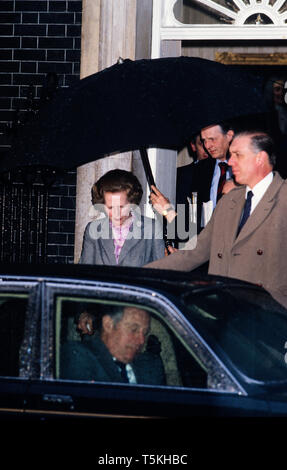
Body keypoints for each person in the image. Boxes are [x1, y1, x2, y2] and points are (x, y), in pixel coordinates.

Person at [145, 131, 287, 307]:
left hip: (270, 317)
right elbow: (195, 251)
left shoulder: (283, 199)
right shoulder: (229, 201)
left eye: (238, 155)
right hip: (226, 314)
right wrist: (143, 275)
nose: (231, 161)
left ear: (260, 158)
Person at [60, 306, 166, 385]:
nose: (141, 340)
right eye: (133, 330)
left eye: (145, 333)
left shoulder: (152, 367)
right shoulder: (79, 355)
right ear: (108, 324)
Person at [79, 169, 165, 266]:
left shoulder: (152, 228)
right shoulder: (93, 230)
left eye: (121, 207)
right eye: (110, 207)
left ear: (132, 202)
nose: (116, 213)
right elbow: (84, 271)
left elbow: (161, 271)